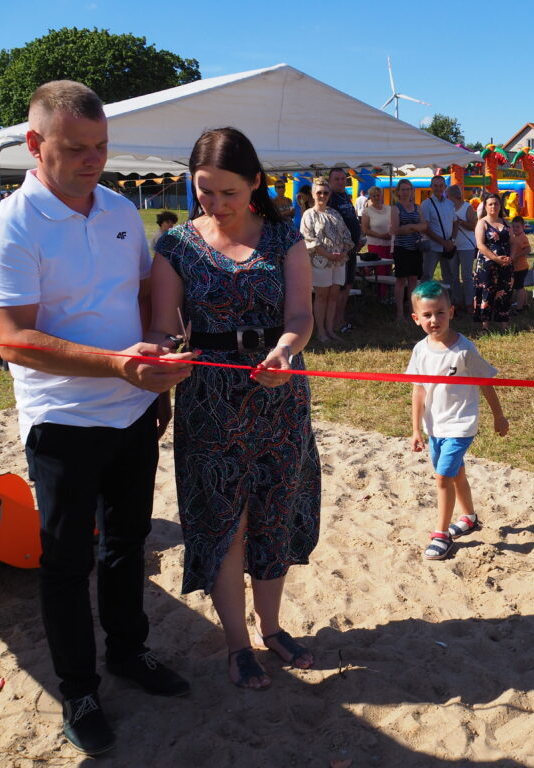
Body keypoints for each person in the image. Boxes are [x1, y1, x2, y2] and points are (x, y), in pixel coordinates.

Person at [0, 80, 194, 757]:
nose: (93, 159)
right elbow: (12, 340)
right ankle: (79, 689)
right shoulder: (9, 225)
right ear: (34, 144)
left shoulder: (121, 209)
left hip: (133, 410)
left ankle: (128, 652)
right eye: (76, 148)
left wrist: (155, 364)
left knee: (127, 545)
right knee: (66, 563)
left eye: (101, 146)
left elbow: (141, 296)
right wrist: (119, 365)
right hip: (62, 421)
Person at [148, 127, 321, 694]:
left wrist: (285, 350)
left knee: (275, 512)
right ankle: (238, 644)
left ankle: (272, 628)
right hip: (209, 401)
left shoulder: (285, 239)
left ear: (255, 184)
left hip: (279, 394)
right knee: (225, 521)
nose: (216, 203)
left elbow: (301, 316)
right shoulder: (175, 247)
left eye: (229, 192)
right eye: (205, 191)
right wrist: (164, 354)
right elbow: (163, 328)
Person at [406, 280, 508, 560]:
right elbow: (418, 390)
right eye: (427, 315)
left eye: (440, 312)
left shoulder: (465, 350)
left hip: (460, 425)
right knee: (457, 474)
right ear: (416, 319)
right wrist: (416, 429)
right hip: (434, 426)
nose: (434, 320)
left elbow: (486, 383)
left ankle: (441, 535)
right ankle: (470, 518)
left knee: (443, 478)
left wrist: (499, 416)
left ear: (451, 312)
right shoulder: (420, 350)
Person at [300, 176, 352, 343]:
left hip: (338, 261)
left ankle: (330, 330)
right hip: (320, 262)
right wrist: (327, 254)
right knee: (321, 297)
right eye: (319, 192)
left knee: (333, 297)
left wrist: (343, 251)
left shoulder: (334, 213)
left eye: (325, 193)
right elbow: (309, 239)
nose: (322, 196)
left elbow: (346, 235)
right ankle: (321, 332)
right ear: (313, 194)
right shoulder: (309, 215)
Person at [328, 167, 362, 334]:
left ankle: (341, 319)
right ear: (330, 181)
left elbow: (352, 219)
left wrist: (358, 239)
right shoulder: (330, 198)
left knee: (348, 284)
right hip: (340, 251)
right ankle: (335, 322)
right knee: (340, 287)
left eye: (343, 179)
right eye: (337, 179)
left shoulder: (345, 196)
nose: (341, 182)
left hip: (352, 249)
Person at [473, 193, 513, 332]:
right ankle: (485, 325)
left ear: (500, 206)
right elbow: (480, 245)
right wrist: (495, 258)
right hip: (487, 264)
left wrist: (511, 257)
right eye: (490, 204)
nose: (493, 206)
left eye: (496, 204)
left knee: (505, 292)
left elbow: (512, 242)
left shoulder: (506, 223)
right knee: (487, 292)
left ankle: (504, 324)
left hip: (506, 264)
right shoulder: (482, 223)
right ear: (485, 206)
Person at [390, 178, 427, 321]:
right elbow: (395, 229)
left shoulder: (418, 208)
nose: (405, 192)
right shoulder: (395, 208)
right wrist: (414, 227)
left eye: (408, 189)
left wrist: (410, 227)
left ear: (412, 191)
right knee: (401, 280)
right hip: (402, 248)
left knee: (413, 279)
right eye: (403, 189)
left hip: (416, 248)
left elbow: (424, 225)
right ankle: (399, 312)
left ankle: (412, 310)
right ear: (398, 192)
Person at [420, 174, 459, 297]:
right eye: (435, 185)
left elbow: (455, 222)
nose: (438, 188)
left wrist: (452, 240)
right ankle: (425, 301)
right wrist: (443, 242)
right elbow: (426, 228)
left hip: (448, 246)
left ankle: (449, 303)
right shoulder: (426, 204)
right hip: (432, 247)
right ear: (431, 187)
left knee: (449, 277)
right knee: (427, 276)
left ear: (445, 187)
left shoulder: (450, 204)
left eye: (441, 185)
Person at [447, 183, 478, 310]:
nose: (446, 198)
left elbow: (473, 226)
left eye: (447, 196)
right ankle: (457, 301)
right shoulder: (448, 207)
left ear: (454, 196)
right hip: (453, 246)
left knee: (466, 276)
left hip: (466, 246)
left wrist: (459, 221)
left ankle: (469, 303)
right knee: (453, 276)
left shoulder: (467, 207)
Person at [509, 215, 531, 311]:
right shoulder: (516, 237)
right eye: (513, 226)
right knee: (521, 286)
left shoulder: (522, 237)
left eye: (518, 227)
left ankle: (519, 308)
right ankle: (525, 304)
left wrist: (517, 256)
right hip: (517, 267)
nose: (515, 229)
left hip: (520, 267)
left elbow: (528, 249)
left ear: (523, 227)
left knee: (519, 288)